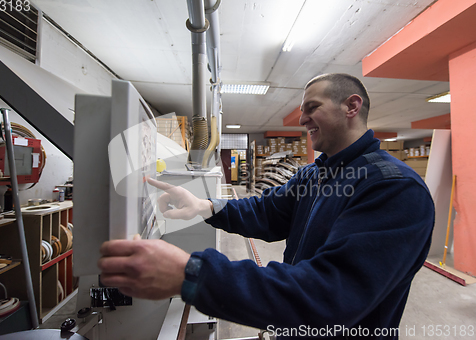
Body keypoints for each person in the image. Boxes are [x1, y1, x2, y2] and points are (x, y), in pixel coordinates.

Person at [98, 73, 434, 339]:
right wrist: (205, 206)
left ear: (351, 106)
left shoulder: (392, 187)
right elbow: (267, 213)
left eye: (311, 107)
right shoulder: (316, 174)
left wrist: (194, 275)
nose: (302, 119)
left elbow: (330, 294)